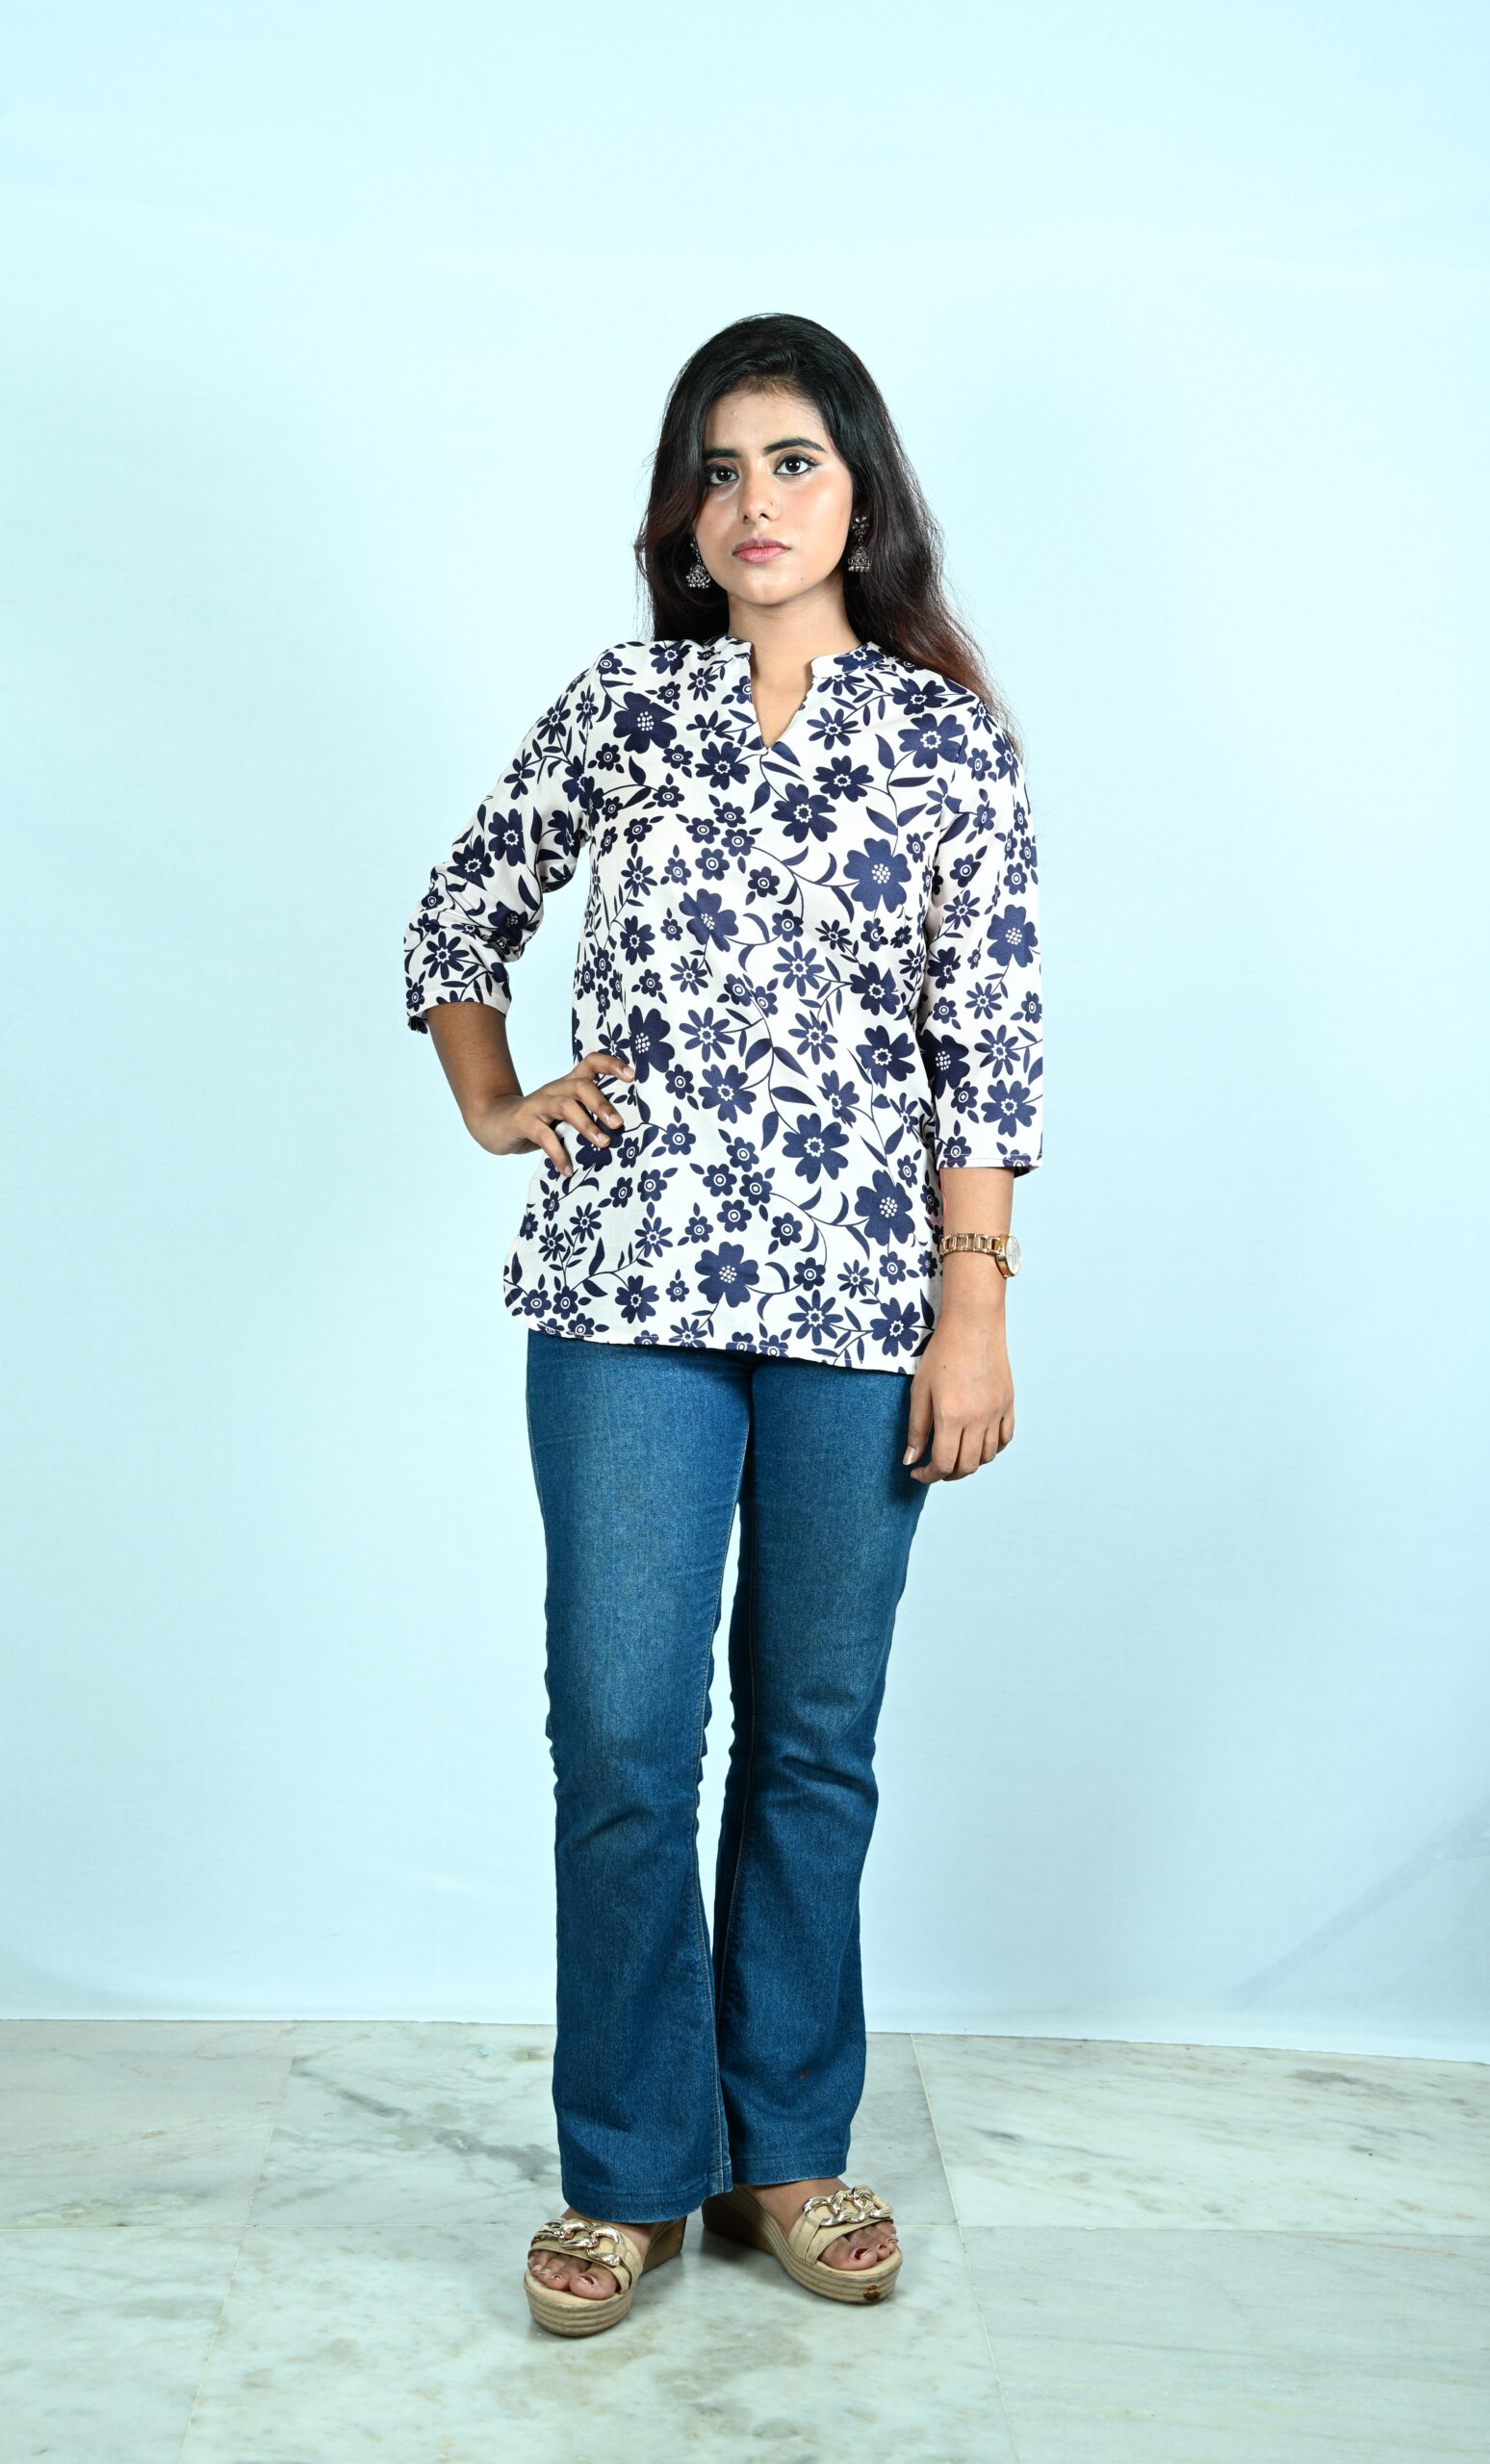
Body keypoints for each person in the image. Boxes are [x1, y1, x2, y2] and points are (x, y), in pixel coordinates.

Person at [404, 312, 1042, 2337]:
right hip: (623, 1294)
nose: (750, 501)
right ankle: (627, 2170)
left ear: (860, 491)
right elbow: (460, 910)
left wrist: (972, 1308)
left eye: (789, 460)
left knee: (811, 1739)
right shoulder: (627, 705)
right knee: (619, 1732)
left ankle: (787, 2148)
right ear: (680, 513)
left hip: (861, 1308)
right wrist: (499, 1099)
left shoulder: (945, 742)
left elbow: (987, 1045)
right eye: (716, 467)